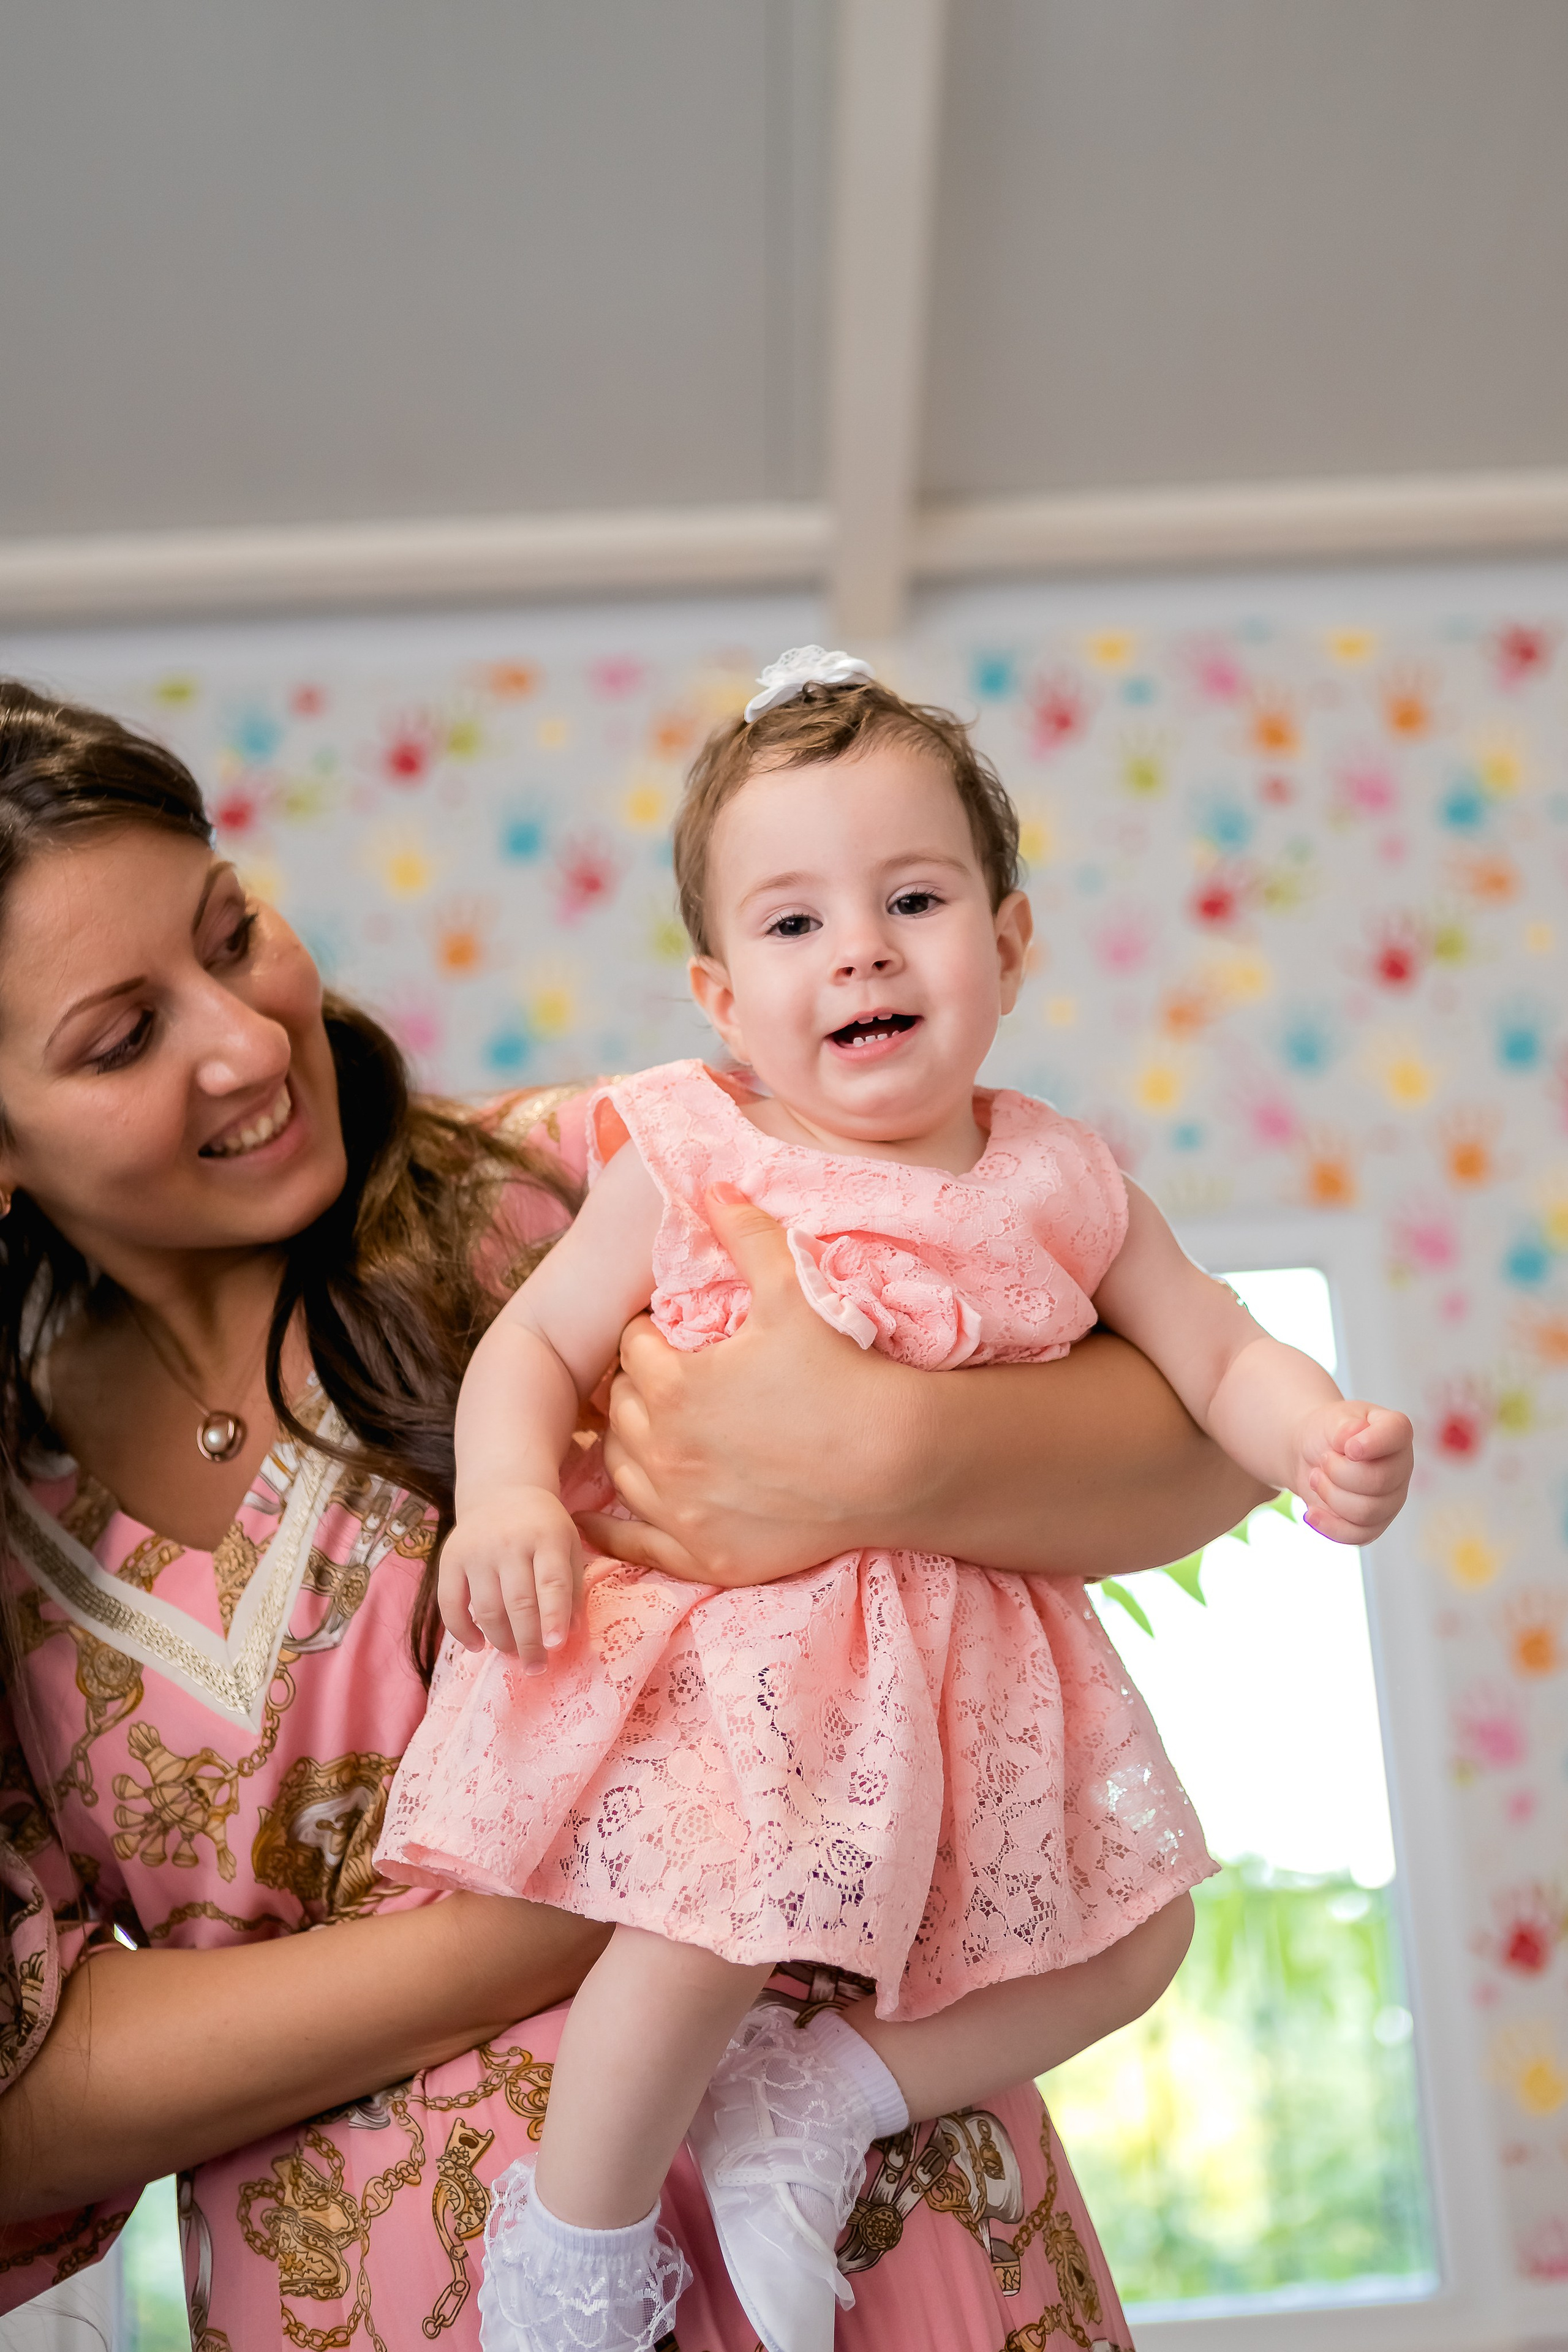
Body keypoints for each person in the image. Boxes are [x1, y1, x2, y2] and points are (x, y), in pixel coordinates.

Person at [0, 678, 1265, 2352]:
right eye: (120, 1036)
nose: (241, 1039)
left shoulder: (590, 1181)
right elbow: (27, 2100)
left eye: (232, 936)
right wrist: (657, 1879)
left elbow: (1209, 1438)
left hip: (862, 2273)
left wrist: (882, 1448)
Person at [383, 649, 1416, 2352]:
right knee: (708, 1925)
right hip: (760, 1671)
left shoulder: (1068, 1181)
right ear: (721, 998)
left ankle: (826, 2100)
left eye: (913, 898)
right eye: (792, 924)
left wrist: (1318, 1433)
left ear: (1005, 947)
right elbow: (537, 1343)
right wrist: (506, 1493)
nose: (857, 947)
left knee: (1140, 1936)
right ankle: (572, 2243)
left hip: (972, 1672)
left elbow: (1215, 1355)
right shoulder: (695, 1156)